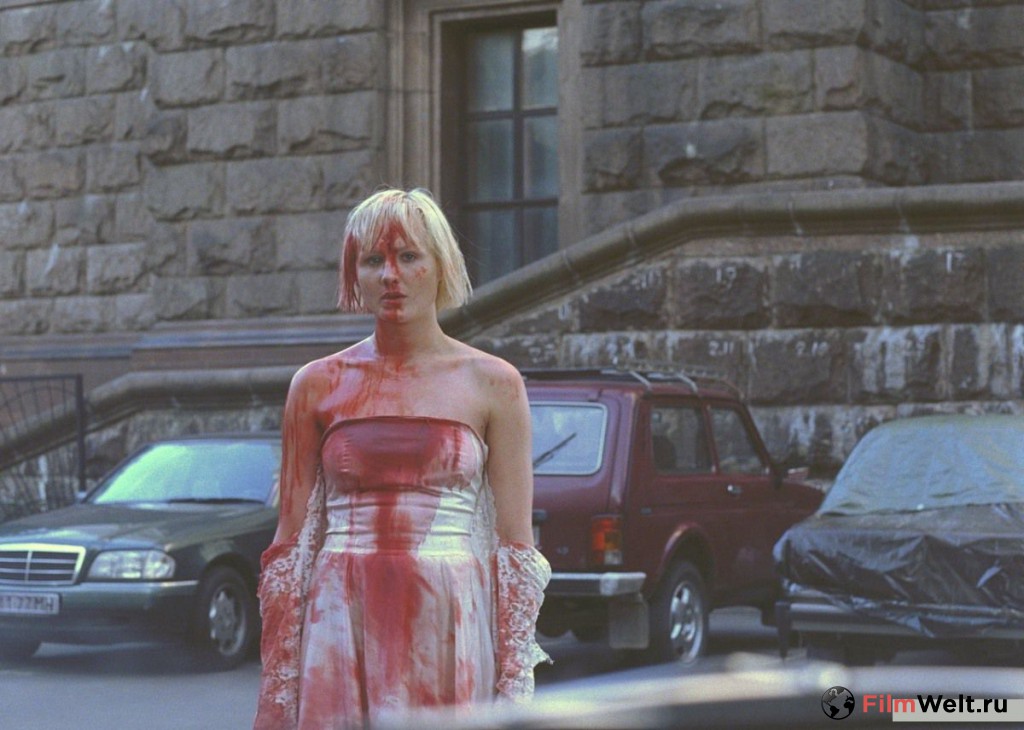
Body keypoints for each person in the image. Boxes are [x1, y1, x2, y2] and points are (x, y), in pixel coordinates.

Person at [253, 188, 551, 729]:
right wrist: (279, 692)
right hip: (339, 615)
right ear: (354, 273)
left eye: (409, 256)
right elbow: (289, 550)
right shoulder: (316, 384)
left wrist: (514, 685)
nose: (391, 275)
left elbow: (516, 550)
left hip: (449, 615)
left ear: (441, 266)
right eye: (374, 260)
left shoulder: (493, 383)